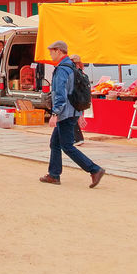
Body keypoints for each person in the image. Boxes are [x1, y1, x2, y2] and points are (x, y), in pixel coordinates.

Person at [40, 41, 104, 188]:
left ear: (59, 51)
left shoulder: (62, 69)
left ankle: (94, 169)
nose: (50, 54)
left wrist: (55, 113)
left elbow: (60, 94)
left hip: (65, 113)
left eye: (52, 51)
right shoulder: (70, 66)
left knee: (67, 146)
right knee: (55, 143)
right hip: (72, 110)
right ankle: (53, 174)